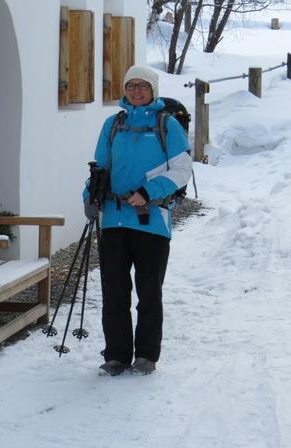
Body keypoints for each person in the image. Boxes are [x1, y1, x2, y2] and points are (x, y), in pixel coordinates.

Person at [83, 65, 192, 376]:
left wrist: (148, 191)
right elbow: (99, 168)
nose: (137, 91)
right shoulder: (113, 124)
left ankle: (146, 355)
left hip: (152, 222)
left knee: (149, 291)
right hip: (114, 221)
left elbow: (182, 169)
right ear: (125, 89)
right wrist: (89, 197)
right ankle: (116, 355)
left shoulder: (167, 125)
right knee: (114, 291)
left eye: (144, 86)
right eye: (132, 85)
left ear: (153, 90)